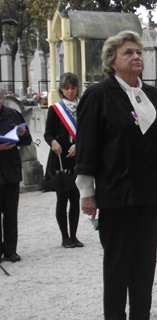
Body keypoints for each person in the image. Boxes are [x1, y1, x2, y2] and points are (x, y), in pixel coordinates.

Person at [75, 30, 157, 320]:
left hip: (149, 194)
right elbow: (87, 147)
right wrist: (86, 191)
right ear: (112, 62)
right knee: (119, 265)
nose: (136, 56)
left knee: (145, 265)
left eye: (138, 52)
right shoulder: (98, 96)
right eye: (128, 53)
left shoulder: (153, 95)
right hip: (116, 194)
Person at [43, 72, 83, 249]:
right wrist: (52, 142)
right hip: (60, 157)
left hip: (77, 157)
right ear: (61, 89)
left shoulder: (83, 107)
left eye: (73, 88)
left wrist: (79, 144)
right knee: (62, 198)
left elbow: (88, 131)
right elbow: (48, 133)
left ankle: (74, 235)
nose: (70, 91)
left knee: (75, 197)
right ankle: (64, 237)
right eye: (66, 88)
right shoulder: (55, 109)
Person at [0, 87, 32, 262]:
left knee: (11, 213)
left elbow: (27, 140)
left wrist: (22, 134)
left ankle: (10, 249)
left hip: (11, 168)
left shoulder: (12, 114)